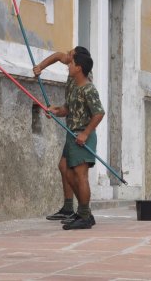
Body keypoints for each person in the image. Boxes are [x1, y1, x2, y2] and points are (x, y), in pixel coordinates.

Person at [37, 48, 105, 229]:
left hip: (82, 135)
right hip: (72, 133)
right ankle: (82, 212)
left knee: (80, 175)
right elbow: (67, 109)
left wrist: (85, 133)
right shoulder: (75, 86)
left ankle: (85, 215)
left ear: (79, 67)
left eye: (72, 63)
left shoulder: (89, 89)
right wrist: (55, 111)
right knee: (68, 172)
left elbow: (99, 113)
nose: (68, 65)